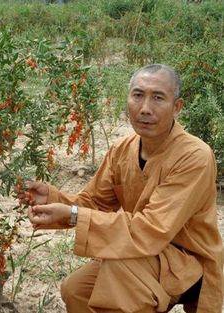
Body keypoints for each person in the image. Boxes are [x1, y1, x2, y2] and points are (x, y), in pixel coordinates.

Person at [17, 64, 223, 313]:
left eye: (158, 98)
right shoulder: (122, 150)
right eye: (138, 95)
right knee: (77, 290)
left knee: (118, 285)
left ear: (176, 107)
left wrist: (73, 216)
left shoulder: (194, 156)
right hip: (142, 252)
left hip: (188, 262)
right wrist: (50, 197)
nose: (145, 108)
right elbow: (94, 202)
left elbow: (152, 229)